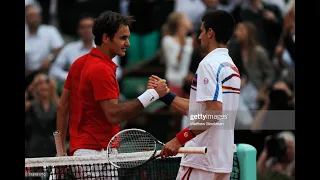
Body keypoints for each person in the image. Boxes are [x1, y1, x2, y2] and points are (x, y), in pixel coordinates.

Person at [56, 11, 169, 158]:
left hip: (83, 151)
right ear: (106, 38)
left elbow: (62, 107)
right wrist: (152, 95)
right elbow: (113, 115)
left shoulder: (79, 63)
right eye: (123, 38)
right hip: (97, 153)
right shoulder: (101, 69)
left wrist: (60, 151)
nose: (128, 43)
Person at [149, 10, 240, 180]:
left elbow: (213, 113)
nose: (199, 37)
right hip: (221, 163)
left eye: (202, 31)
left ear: (210, 33)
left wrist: (178, 139)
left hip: (201, 161)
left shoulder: (208, 64)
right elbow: (203, 110)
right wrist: (166, 95)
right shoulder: (231, 67)